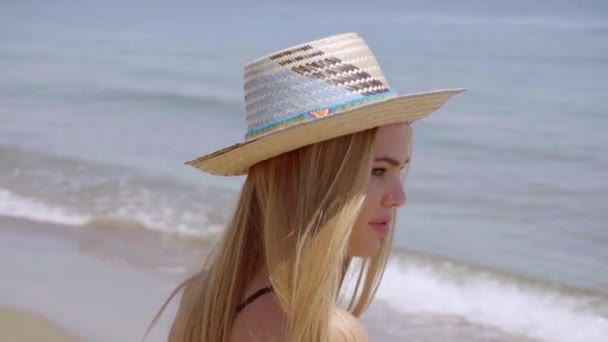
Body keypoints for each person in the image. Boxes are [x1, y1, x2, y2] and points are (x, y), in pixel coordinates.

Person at [148, 32, 463, 341]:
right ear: (313, 182)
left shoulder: (202, 302)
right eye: (378, 170)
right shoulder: (330, 332)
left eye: (400, 171)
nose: (399, 198)